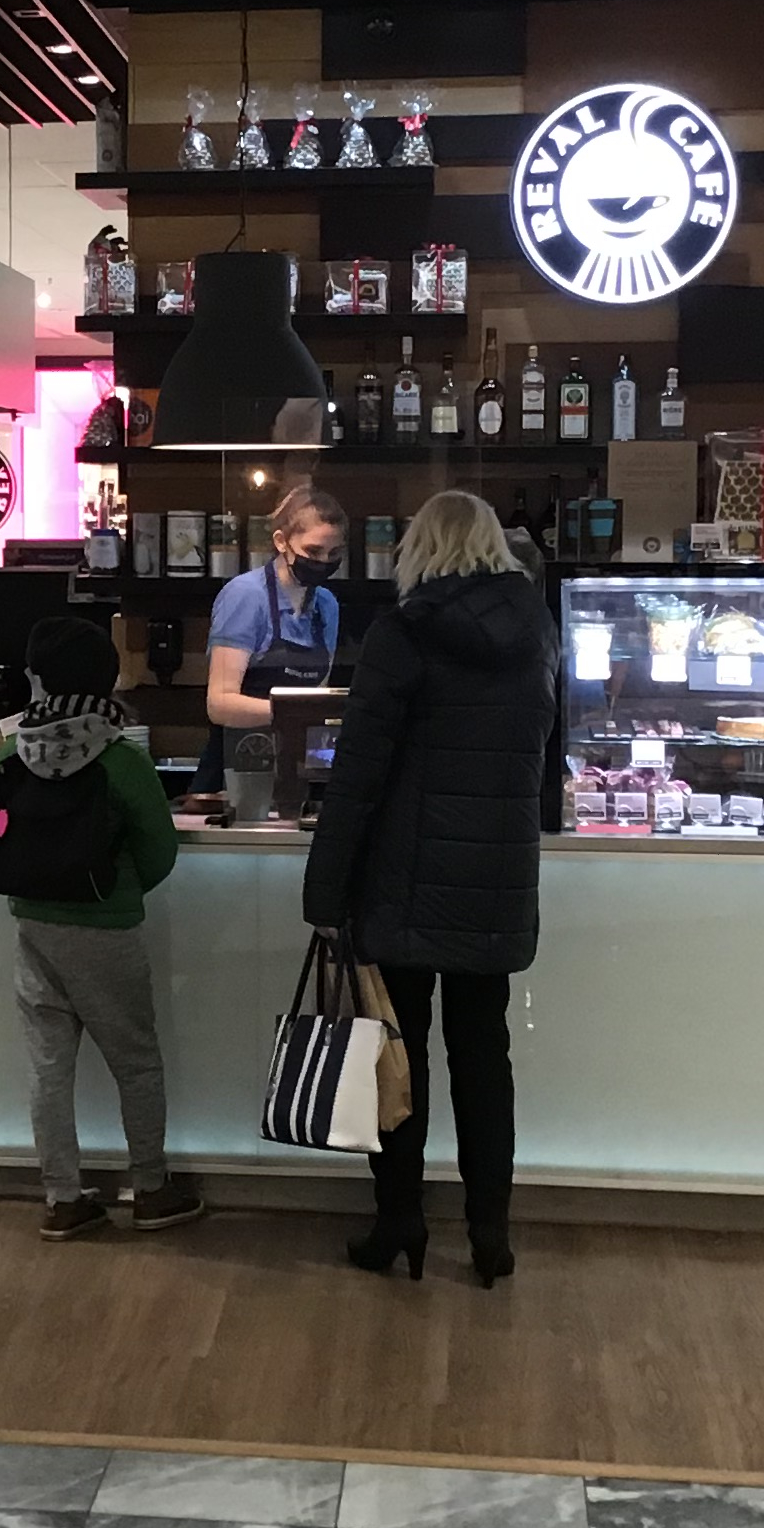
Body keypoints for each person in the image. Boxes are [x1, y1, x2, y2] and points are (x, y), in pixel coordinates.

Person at [301, 490, 554, 1287]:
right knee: (484, 1056)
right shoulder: (538, 629)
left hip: (402, 881)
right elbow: (543, 752)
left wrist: (324, 891)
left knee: (397, 1056)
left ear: (419, 549)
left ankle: (399, 1220)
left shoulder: (404, 631)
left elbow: (358, 773)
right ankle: (490, 1234)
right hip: (496, 881)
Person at [0, 614, 197, 1241]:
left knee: (49, 1068)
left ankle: (62, 1197)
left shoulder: (10, 753)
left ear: (41, 679)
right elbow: (160, 850)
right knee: (136, 1062)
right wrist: (118, 892)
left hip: (34, 927)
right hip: (108, 929)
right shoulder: (122, 758)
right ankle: (151, 1188)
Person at [195, 483, 349, 792]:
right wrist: (296, 714)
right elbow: (220, 703)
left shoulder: (326, 606)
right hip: (235, 772)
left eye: (333, 553)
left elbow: (318, 696)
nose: (323, 561)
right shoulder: (246, 596)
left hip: (296, 771)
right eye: (313, 551)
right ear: (281, 541)